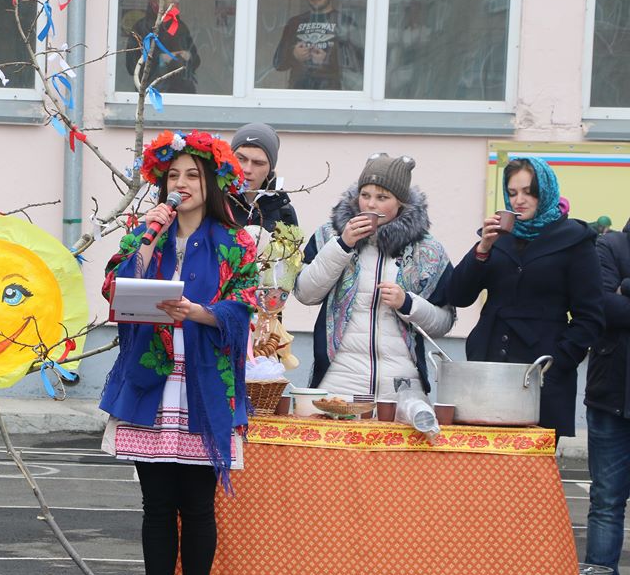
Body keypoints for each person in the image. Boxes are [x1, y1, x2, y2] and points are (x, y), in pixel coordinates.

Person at [100, 130, 258, 575]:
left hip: (205, 384)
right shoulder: (144, 233)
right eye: (173, 175)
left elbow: (246, 303)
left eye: (193, 174)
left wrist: (202, 313)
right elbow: (114, 289)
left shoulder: (236, 241)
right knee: (156, 506)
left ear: (211, 182)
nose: (182, 184)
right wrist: (146, 243)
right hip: (153, 382)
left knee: (197, 507)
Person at [448, 157, 603, 439]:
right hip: (488, 369)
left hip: (542, 374)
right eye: (512, 193)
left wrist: (556, 363)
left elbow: (590, 318)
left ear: (546, 191)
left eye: (528, 192)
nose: (519, 200)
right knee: (481, 464)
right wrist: (482, 248)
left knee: (531, 466)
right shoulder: (498, 236)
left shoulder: (575, 240)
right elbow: (458, 295)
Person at [293, 154, 453, 399]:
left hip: (401, 387)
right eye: (365, 195)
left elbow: (445, 321)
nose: (370, 205)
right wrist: (343, 245)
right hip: (338, 382)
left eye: (382, 197)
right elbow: (305, 293)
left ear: (400, 203)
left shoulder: (427, 249)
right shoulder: (329, 236)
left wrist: (408, 303)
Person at [581, 218, 630, 575]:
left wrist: (626, 287)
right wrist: (617, 296)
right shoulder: (610, 246)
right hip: (611, 396)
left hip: (609, 394)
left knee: (607, 505)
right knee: (606, 504)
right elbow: (602, 307)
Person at [272, 0, 363, 90]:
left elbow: (357, 66)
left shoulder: (345, 22)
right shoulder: (294, 23)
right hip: (298, 93)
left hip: (331, 93)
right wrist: (293, 54)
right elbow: (278, 64)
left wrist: (326, 61)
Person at [124, 0, 201, 94]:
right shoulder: (142, 27)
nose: (177, 0)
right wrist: (161, 59)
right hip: (152, 93)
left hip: (182, 93)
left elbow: (196, 60)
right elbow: (132, 66)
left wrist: (188, 56)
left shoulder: (180, 27)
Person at [226, 122, 298, 232]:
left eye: (258, 163)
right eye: (241, 159)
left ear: (270, 168)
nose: (247, 169)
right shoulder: (212, 202)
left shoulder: (284, 211)